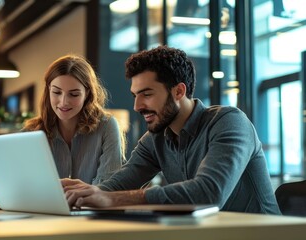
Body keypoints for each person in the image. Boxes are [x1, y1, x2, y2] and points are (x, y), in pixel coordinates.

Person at [62, 45, 281, 215]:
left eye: (146, 94)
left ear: (178, 91)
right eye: (135, 95)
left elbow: (209, 192)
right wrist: (88, 193)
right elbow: (119, 184)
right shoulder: (155, 139)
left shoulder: (229, 122)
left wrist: (112, 199)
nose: (137, 106)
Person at [0, 54, 126, 203]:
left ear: (87, 94)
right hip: (44, 220)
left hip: (91, 218)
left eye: (74, 94)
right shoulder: (31, 132)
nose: (63, 102)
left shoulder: (106, 126)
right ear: (48, 91)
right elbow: (21, 188)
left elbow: (107, 189)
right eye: (57, 92)